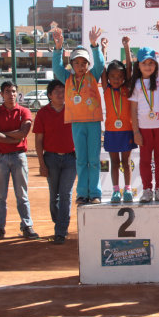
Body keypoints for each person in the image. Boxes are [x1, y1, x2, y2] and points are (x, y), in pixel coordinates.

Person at [52, 26, 104, 204]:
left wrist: (95, 46)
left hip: (93, 122)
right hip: (77, 123)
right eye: (77, 63)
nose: (80, 67)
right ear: (71, 65)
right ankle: (82, 193)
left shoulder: (93, 75)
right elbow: (56, 67)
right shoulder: (67, 78)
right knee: (81, 160)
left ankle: (95, 193)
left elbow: (101, 65)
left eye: (84, 63)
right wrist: (58, 48)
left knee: (94, 160)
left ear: (88, 65)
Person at [0, 81, 38, 241]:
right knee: (0, 195)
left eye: (14, 91)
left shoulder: (24, 111)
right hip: (0, 157)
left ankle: (27, 226)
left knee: (22, 194)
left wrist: (4, 136)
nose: (11, 94)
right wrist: (13, 138)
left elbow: (24, 132)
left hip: (19, 157)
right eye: (8, 91)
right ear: (2, 94)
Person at [129, 21, 159, 203]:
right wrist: (136, 131)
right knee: (145, 160)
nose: (149, 66)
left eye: (151, 63)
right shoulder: (136, 85)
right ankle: (147, 189)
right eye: (144, 63)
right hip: (144, 129)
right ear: (138, 65)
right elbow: (133, 110)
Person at [33, 80, 76, 244]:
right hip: (50, 158)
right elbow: (38, 141)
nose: (60, 93)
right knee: (54, 196)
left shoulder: (73, 110)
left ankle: (60, 231)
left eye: (62, 90)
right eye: (56, 91)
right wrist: (41, 164)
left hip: (71, 158)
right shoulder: (43, 113)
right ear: (50, 95)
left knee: (65, 195)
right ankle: (59, 222)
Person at [100, 37, 137, 203]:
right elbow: (101, 67)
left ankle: (127, 189)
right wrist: (103, 49)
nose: (116, 79)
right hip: (111, 131)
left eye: (119, 76)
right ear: (108, 78)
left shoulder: (127, 88)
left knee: (126, 162)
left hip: (127, 130)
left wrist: (127, 47)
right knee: (114, 163)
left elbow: (129, 68)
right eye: (112, 76)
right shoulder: (106, 89)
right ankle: (116, 191)